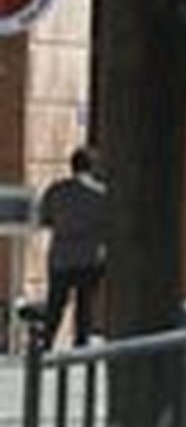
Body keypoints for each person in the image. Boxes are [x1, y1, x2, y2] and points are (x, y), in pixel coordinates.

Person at [38, 148, 109, 347]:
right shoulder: (102, 194)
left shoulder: (56, 190)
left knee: (56, 303)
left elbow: (45, 220)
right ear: (93, 167)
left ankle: (47, 342)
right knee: (85, 305)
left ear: (72, 165)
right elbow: (109, 226)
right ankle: (81, 344)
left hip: (61, 257)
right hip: (90, 257)